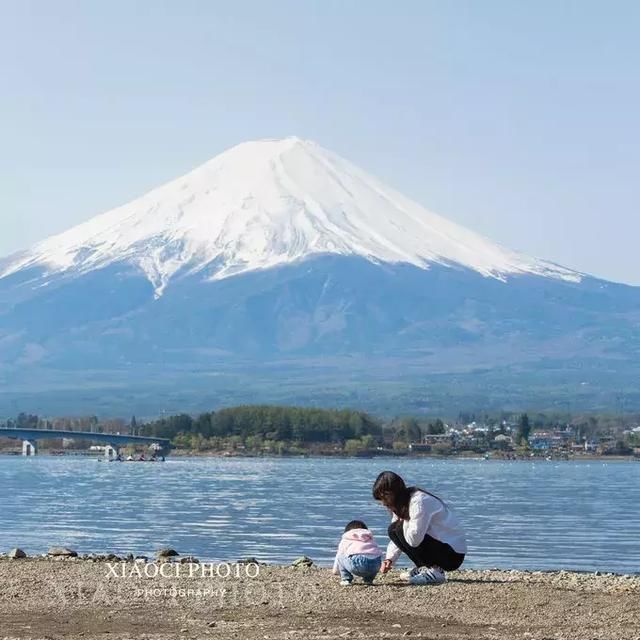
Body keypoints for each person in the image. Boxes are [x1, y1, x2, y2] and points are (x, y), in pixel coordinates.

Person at [373, 470, 467, 585]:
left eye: (385, 497)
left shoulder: (418, 502)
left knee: (396, 529)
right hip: (441, 548)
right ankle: (426, 568)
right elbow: (397, 535)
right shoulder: (402, 505)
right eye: (381, 499)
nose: (383, 503)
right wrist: (389, 559)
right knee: (393, 529)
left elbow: (414, 540)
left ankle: (435, 572)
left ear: (394, 493)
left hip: (452, 554)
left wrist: (405, 520)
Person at [332, 519, 384, 586]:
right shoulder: (369, 538)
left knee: (341, 557)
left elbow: (339, 554)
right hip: (375, 565)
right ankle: (368, 580)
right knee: (372, 556)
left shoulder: (346, 538)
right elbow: (377, 551)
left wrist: (335, 570)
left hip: (357, 565)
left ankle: (346, 579)